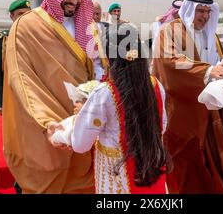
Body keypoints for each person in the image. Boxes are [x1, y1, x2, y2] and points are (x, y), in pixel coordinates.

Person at [2, 0, 103, 193]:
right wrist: (46, 121)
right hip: (45, 123)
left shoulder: (90, 27)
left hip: (82, 117)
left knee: (84, 181)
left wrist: (93, 96)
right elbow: (22, 79)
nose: (74, 0)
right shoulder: (27, 26)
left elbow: (98, 68)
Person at [49, 23, 168, 194]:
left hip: (117, 173)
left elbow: (81, 143)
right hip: (151, 166)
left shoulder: (105, 93)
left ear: (110, 59)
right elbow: (162, 126)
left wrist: (67, 129)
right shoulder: (156, 85)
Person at [152, 0, 223, 194]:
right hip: (183, 115)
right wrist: (208, 72)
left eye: (208, 11)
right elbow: (171, 64)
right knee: (186, 167)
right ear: (189, 9)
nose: (205, 16)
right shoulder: (170, 31)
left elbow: (216, 62)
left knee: (215, 163)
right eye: (200, 10)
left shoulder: (209, 34)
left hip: (210, 111)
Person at [0, 0, 31, 115]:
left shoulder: (34, 39)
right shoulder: (1, 38)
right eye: (20, 14)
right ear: (12, 16)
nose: (24, 17)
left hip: (31, 95)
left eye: (28, 14)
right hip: (9, 94)